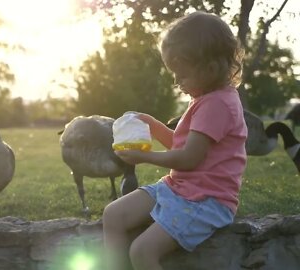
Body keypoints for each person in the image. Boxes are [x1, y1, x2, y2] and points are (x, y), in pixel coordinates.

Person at [102, 11, 246, 270]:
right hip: (179, 188)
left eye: (182, 75)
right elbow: (182, 146)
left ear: (209, 68)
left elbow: (189, 159)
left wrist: (144, 157)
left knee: (142, 251)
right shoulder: (205, 98)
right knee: (113, 214)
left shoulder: (218, 105)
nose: (177, 82)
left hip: (206, 201)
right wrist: (151, 123)